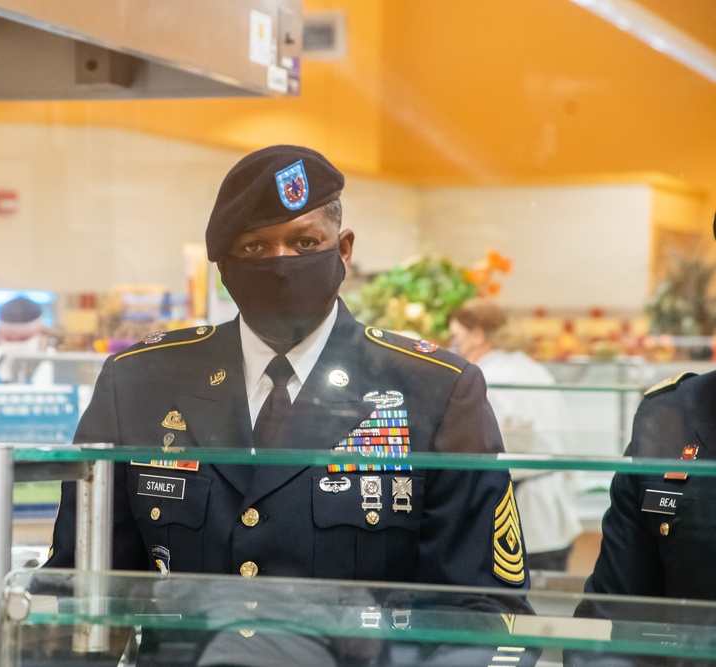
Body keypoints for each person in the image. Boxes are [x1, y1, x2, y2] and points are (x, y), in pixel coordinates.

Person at [45, 146, 535, 664]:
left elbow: (484, 610)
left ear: (343, 249)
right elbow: (82, 586)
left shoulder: (434, 388)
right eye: (255, 248)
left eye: (305, 242)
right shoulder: (141, 382)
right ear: (224, 268)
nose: (281, 265)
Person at [449, 299, 582, 571]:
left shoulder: (485, 377)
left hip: (522, 516)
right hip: (552, 508)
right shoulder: (530, 368)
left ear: (477, 336)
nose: (454, 347)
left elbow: (480, 449)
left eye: (456, 338)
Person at [0, 296, 55, 383]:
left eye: (23, 338)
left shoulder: (55, 363)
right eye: (9, 338)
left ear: (40, 332)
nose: (16, 343)